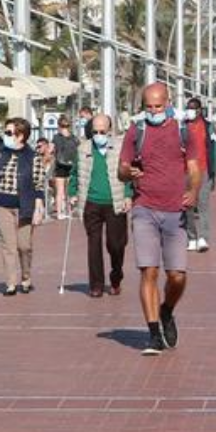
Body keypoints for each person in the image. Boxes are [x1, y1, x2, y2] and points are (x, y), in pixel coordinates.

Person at [118, 82, 205, 355]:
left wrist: (192, 190)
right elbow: (122, 169)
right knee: (149, 271)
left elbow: (194, 168)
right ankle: (153, 333)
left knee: (177, 276)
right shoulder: (136, 130)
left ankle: (166, 310)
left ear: (168, 103)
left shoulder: (182, 131)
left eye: (158, 106)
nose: (154, 111)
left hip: (175, 211)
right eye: (149, 107)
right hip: (144, 208)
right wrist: (128, 172)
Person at [0, 118, 48, 295]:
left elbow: (39, 184)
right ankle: (11, 283)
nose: (6, 136)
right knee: (9, 245)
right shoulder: (0, 153)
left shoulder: (33, 156)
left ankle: (26, 277)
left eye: (9, 133)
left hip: (25, 205)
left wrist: (39, 206)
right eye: (6, 132)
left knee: (24, 246)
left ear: (21, 136)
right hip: (1, 204)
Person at [70, 112, 130, 298]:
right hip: (91, 202)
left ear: (109, 130)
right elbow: (75, 173)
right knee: (93, 244)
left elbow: (128, 173)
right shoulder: (83, 148)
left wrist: (128, 195)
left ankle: (116, 275)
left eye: (102, 131)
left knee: (116, 244)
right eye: (95, 131)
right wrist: (72, 193)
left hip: (115, 202)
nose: (98, 135)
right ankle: (96, 284)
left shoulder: (120, 147)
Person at [181, 99, 216, 252]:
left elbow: (214, 151)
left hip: (204, 170)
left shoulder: (208, 127)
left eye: (193, 108)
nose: (190, 111)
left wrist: (213, 172)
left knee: (203, 204)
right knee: (188, 205)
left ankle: (203, 238)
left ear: (200, 110)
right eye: (188, 108)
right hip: (185, 171)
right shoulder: (182, 127)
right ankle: (191, 237)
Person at [52, 109, 86, 219]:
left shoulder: (56, 137)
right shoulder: (74, 138)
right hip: (72, 165)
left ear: (59, 125)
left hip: (60, 166)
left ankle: (59, 213)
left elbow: (51, 150)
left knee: (60, 191)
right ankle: (69, 211)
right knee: (70, 190)